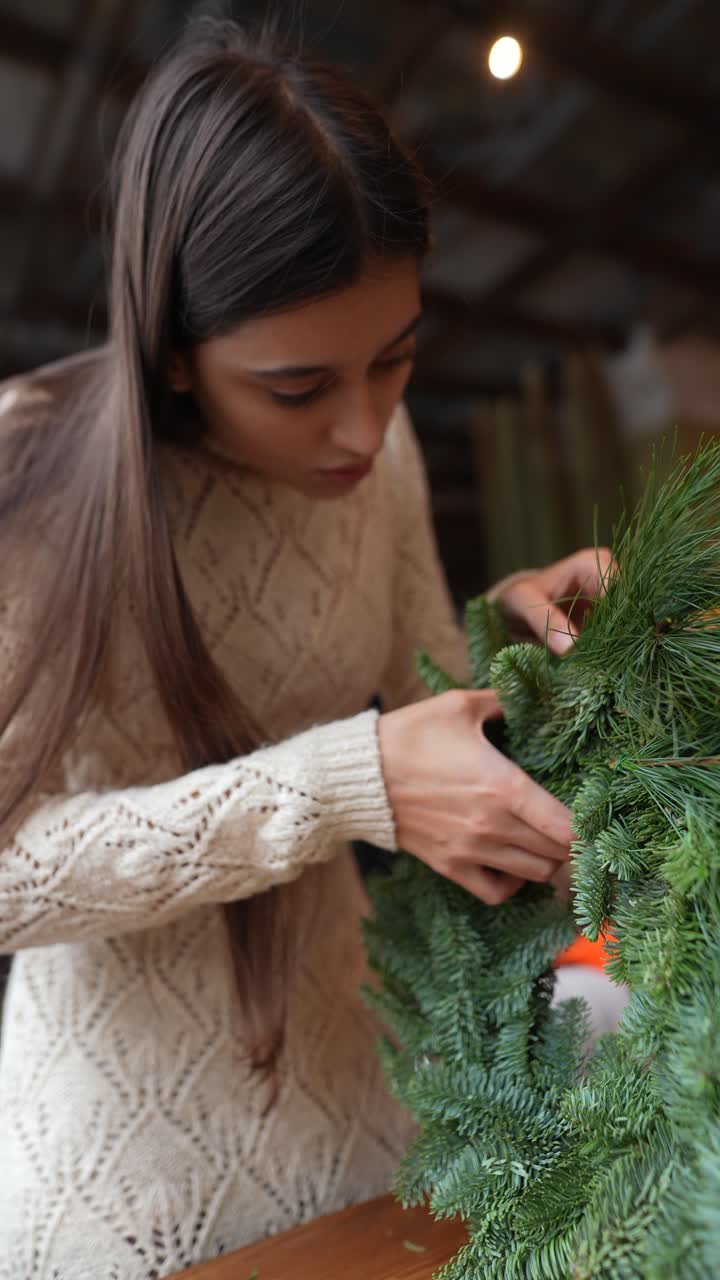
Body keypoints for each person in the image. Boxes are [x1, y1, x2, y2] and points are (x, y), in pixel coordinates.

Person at [0, 17, 611, 1280]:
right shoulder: (28, 470)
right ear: (176, 349)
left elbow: (431, 693)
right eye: (297, 386)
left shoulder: (384, 457)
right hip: (121, 1173)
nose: (361, 425)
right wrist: (347, 780)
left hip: (376, 1108)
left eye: (394, 360)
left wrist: (523, 640)